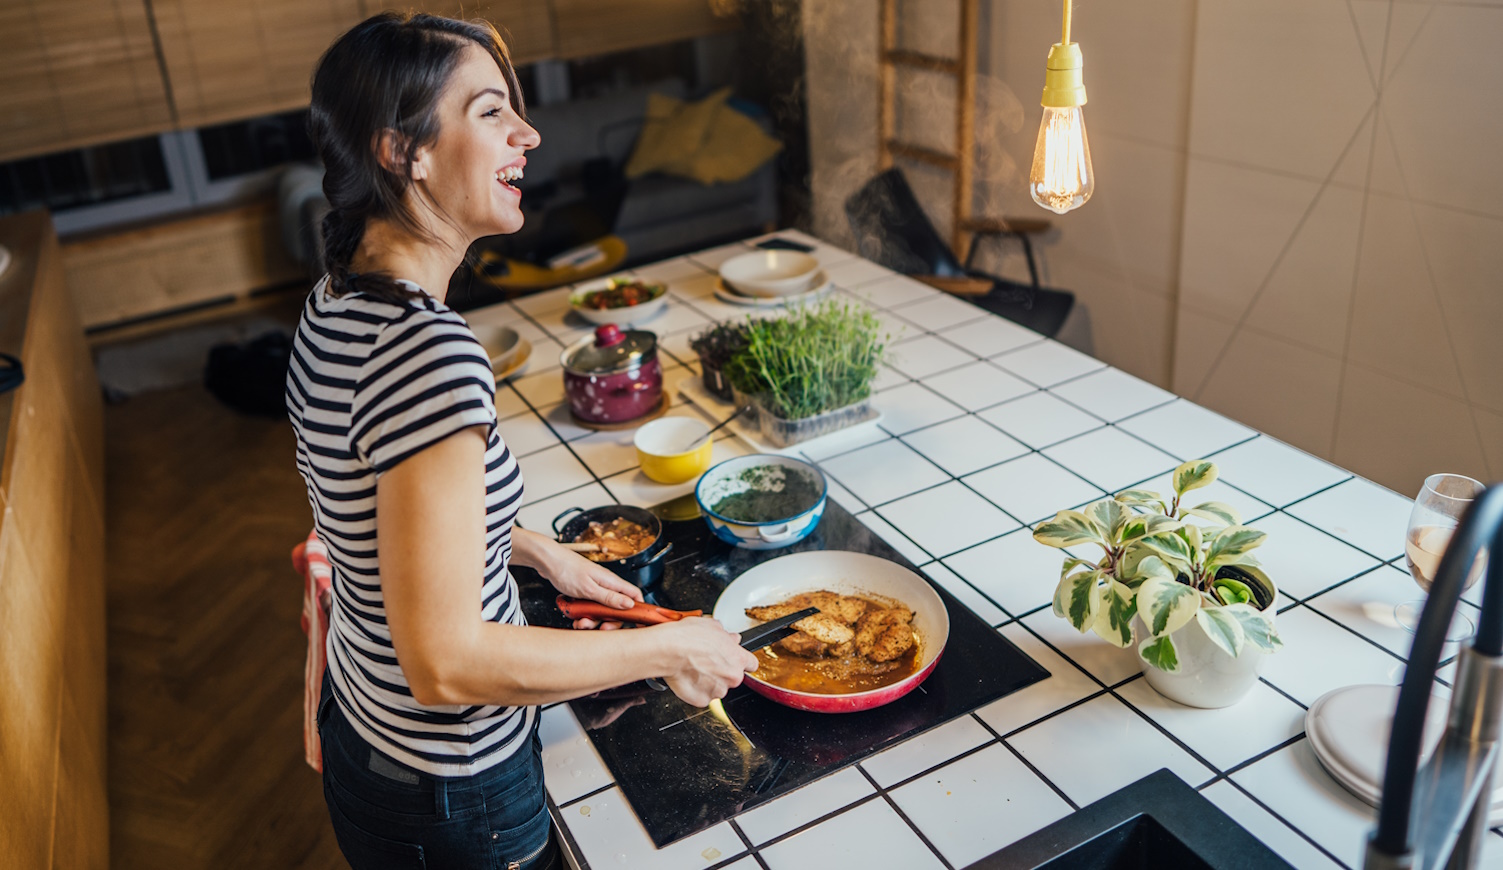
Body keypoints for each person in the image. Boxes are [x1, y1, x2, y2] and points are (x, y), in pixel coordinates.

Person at [286, 13, 758, 869]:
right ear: (405, 152)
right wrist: (668, 645)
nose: (528, 133)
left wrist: (539, 552)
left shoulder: (338, 302)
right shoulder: (426, 354)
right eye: (491, 111)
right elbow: (449, 665)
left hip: (372, 739)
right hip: (451, 784)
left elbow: (377, 513)